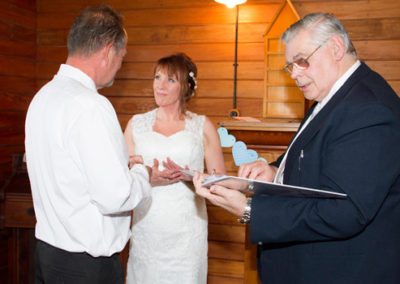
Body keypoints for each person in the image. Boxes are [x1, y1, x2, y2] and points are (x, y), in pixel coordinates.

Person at [194, 13, 400, 284]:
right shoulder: (334, 96)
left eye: (302, 61)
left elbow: (346, 211)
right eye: (290, 66)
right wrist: (272, 171)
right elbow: (316, 155)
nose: (295, 74)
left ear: (336, 48)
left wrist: (249, 209)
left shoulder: (368, 108)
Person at [25, 5, 153, 284]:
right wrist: (142, 174)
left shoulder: (42, 97)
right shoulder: (91, 105)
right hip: (86, 267)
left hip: (48, 255)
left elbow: (70, 169)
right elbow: (115, 196)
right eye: (122, 57)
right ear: (108, 51)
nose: (119, 66)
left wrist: (121, 166)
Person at [124, 52, 226, 284]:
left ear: (185, 86)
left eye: (170, 80)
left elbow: (218, 182)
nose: (160, 85)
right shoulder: (136, 125)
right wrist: (149, 177)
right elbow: (122, 178)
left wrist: (191, 176)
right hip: (148, 227)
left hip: (187, 232)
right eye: (157, 77)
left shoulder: (202, 126)